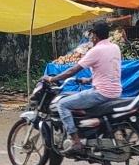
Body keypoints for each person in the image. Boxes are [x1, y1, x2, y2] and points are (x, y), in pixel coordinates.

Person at [48, 18, 121, 153]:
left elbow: (72, 70)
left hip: (101, 93)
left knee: (62, 104)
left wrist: (53, 78)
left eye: (92, 35)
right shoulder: (115, 48)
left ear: (95, 35)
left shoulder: (95, 51)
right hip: (116, 92)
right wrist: (88, 80)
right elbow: (108, 70)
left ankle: (76, 142)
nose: (91, 37)